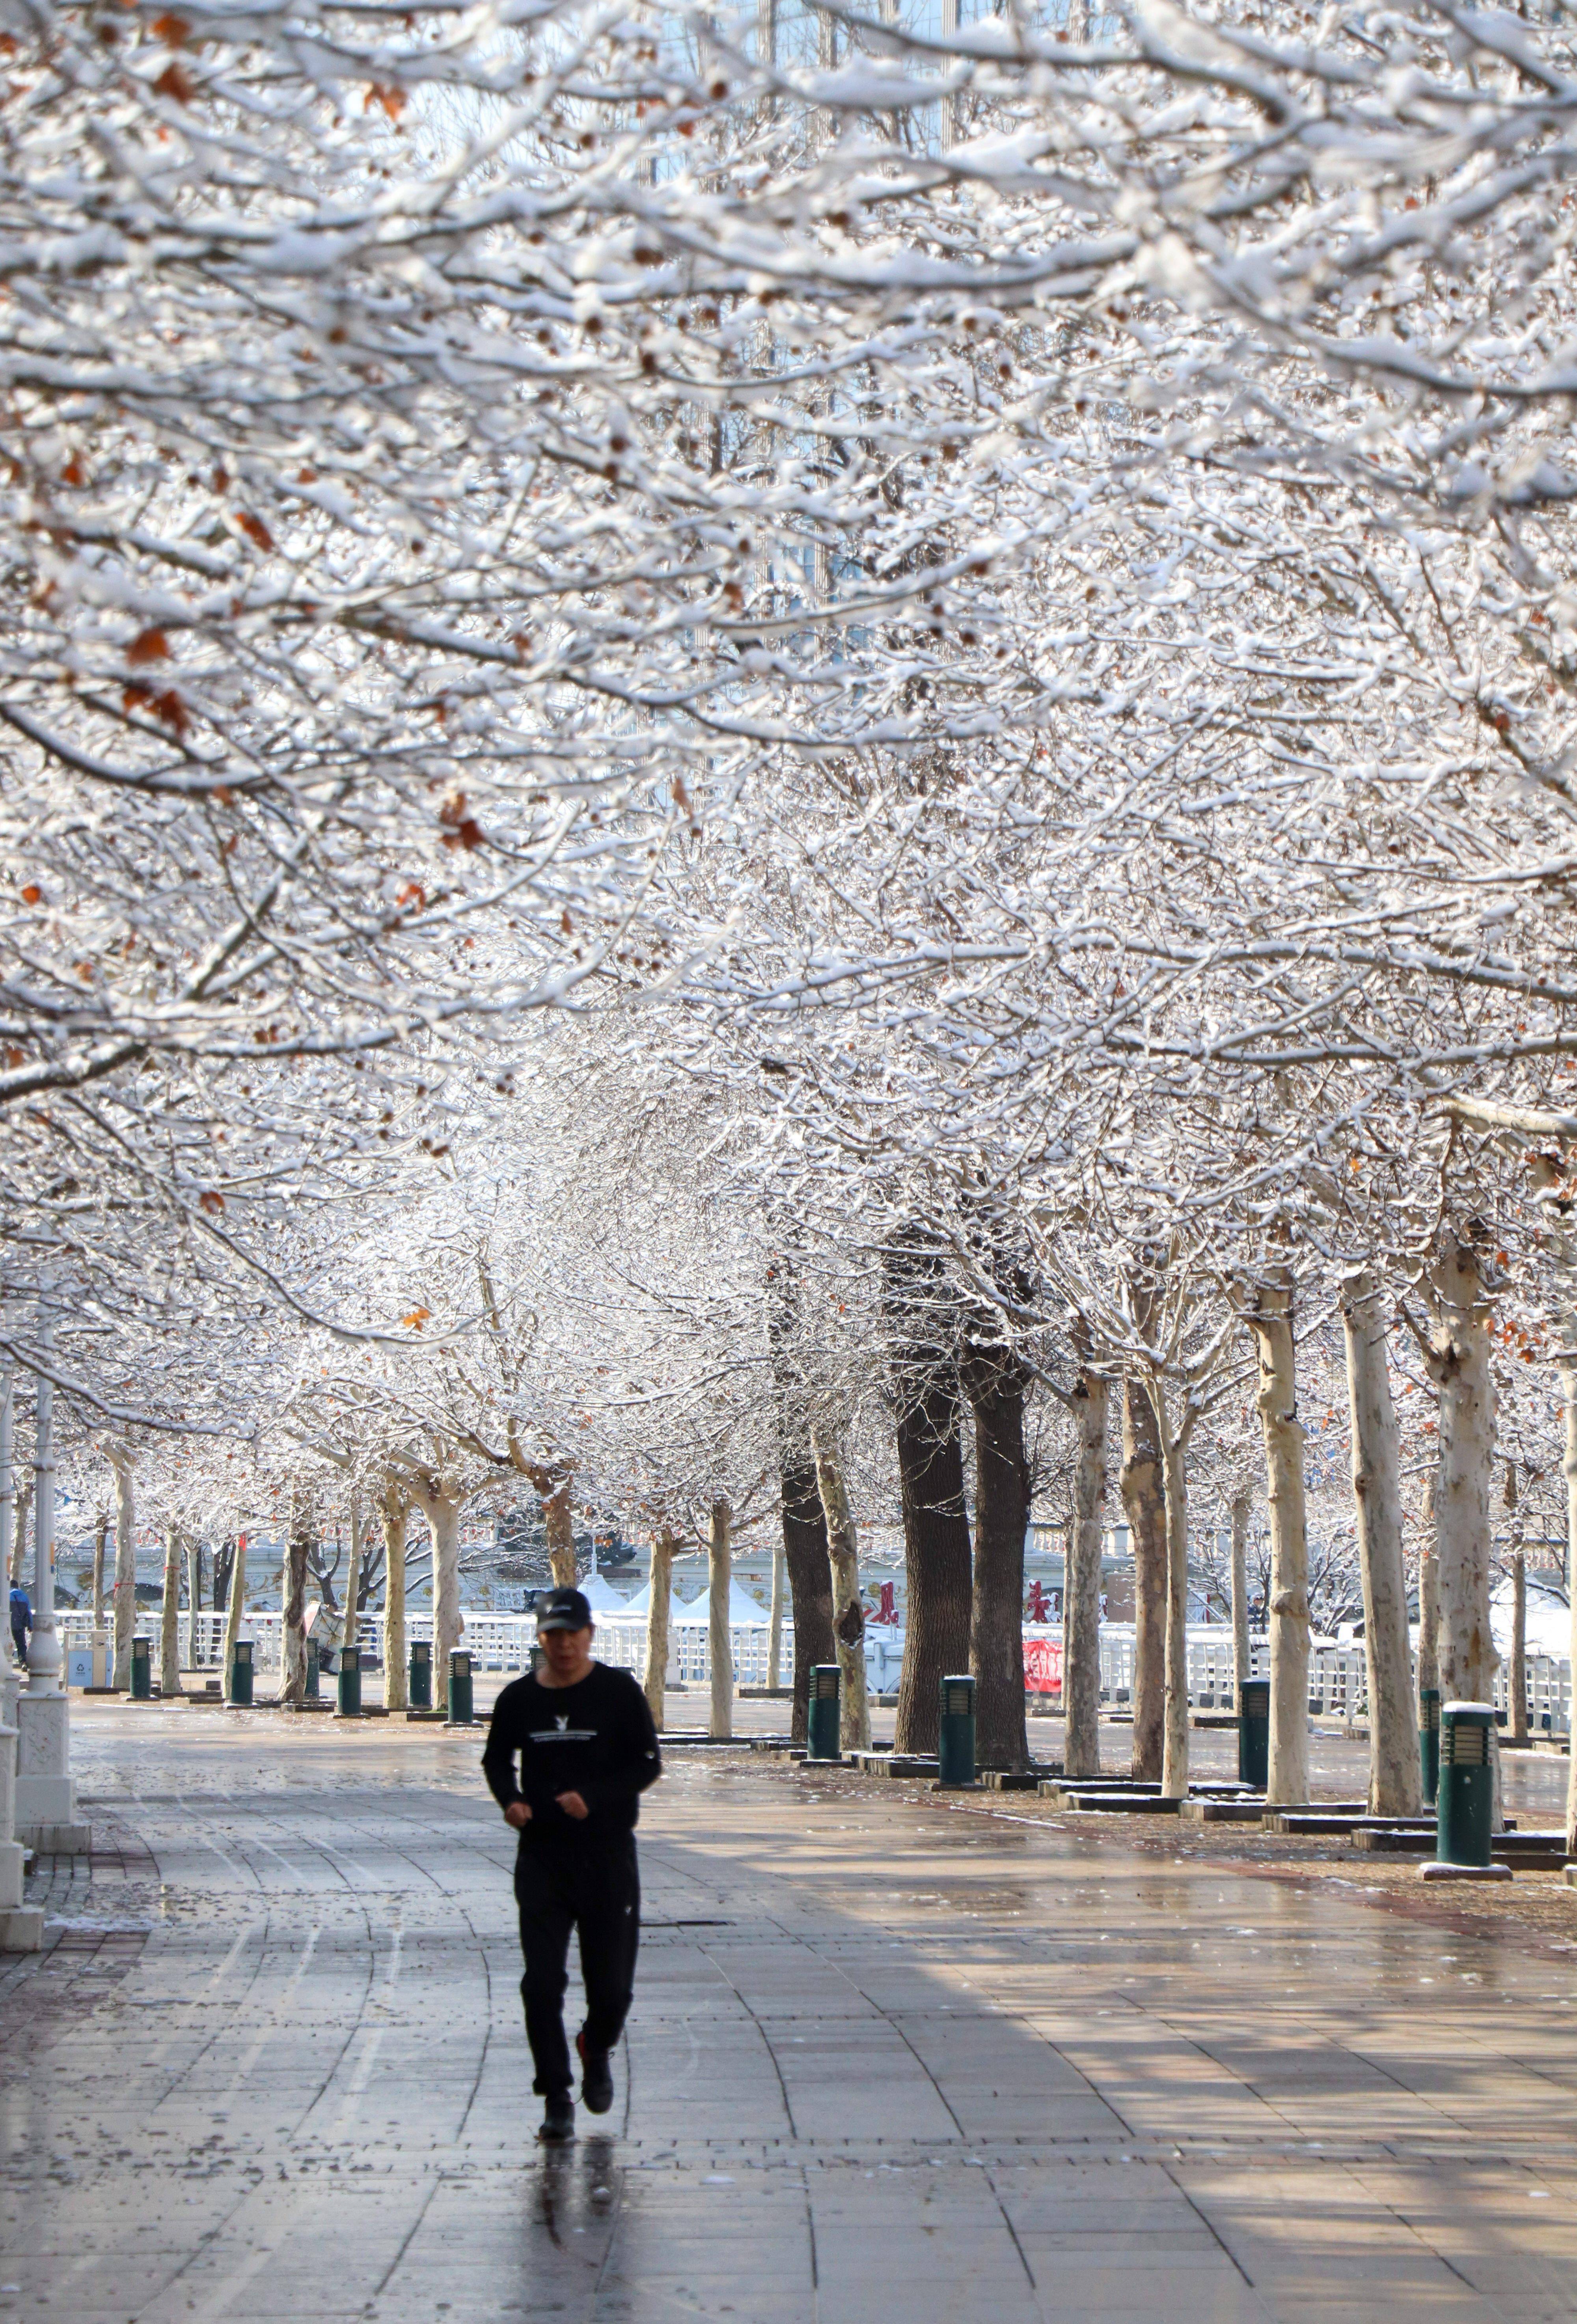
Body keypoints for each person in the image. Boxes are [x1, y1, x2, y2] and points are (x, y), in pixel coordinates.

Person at [482, 1585, 662, 2143]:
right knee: (542, 1983)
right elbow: (495, 1760)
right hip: (543, 1857)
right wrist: (510, 1800)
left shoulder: (617, 1692)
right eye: (552, 1636)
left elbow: (647, 1764)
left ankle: (596, 2045)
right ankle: (556, 2094)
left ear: (590, 1636)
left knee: (611, 1990)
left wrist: (597, 1796)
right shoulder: (518, 1699)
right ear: (540, 1639)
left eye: (572, 1635)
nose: (563, 1646)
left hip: (607, 1856)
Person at [9, 1583, 29, 1667]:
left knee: (8, 1644)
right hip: (20, 1626)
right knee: (21, 1644)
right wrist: (30, 1625)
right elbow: (29, 1612)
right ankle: (23, 1663)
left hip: (8, 1626)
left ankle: (8, 1662)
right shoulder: (24, 1597)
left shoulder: (7, 1595)